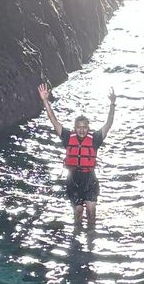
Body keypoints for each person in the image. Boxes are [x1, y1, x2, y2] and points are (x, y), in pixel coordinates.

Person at [38, 83, 116, 230]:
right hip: (73, 179)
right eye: (79, 127)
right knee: (78, 212)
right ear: (74, 128)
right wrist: (45, 101)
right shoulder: (67, 137)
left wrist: (112, 103)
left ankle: (91, 236)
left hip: (90, 179)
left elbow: (109, 123)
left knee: (91, 212)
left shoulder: (95, 139)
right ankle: (77, 235)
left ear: (88, 128)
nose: (82, 130)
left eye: (84, 127)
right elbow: (53, 120)